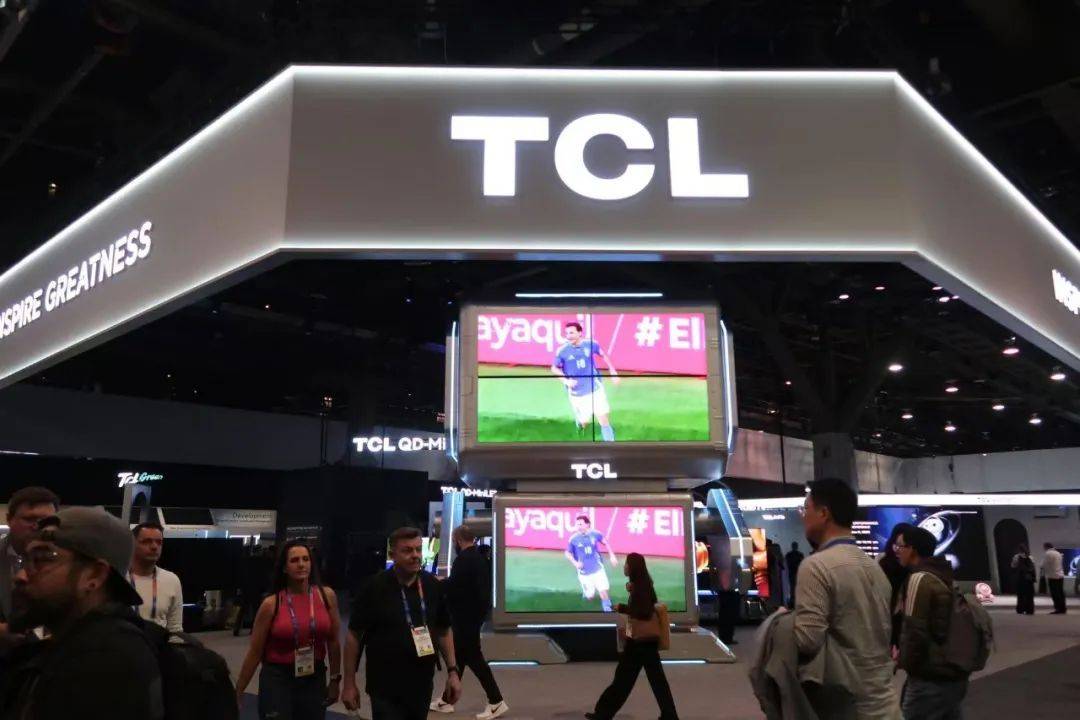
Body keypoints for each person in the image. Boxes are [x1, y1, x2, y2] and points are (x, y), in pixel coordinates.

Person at [0, 506, 163, 719]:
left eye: (42, 558)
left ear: (93, 575)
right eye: (25, 560)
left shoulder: (102, 662)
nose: (20, 576)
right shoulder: (74, 645)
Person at [794, 478, 900, 719]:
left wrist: (782, 622)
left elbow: (807, 640)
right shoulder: (873, 567)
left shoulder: (816, 566)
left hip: (848, 705)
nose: (803, 516)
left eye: (806, 508)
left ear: (824, 513)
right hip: (885, 703)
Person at [342, 526, 461, 720]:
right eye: (407, 550)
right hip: (384, 686)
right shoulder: (374, 587)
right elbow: (354, 636)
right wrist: (349, 683)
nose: (415, 555)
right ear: (392, 555)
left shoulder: (432, 586)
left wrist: (453, 672)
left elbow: (443, 630)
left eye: (418, 549)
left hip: (421, 683)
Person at [235, 540, 343, 719]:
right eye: (294, 560)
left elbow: (333, 642)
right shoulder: (271, 604)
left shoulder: (326, 596)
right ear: (284, 568)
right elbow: (255, 651)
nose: (301, 564)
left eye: (305, 559)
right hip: (278, 678)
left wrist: (334, 680)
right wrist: (239, 689)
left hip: (313, 676)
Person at [587, 553, 678, 720]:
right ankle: (669, 715)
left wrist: (624, 608)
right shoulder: (642, 585)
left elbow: (644, 611)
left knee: (623, 680)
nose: (624, 567)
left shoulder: (640, 587)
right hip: (646, 642)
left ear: (633, 567)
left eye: (627, 564)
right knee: (655, 681)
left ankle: (603, 714)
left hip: (639, 642)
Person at [431, 526, 508, 719]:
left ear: (457, 540)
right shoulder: (480, 558)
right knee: (460, 657)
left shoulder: (464, 560)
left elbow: (454, 587)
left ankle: (496, 701)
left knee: (474, 658)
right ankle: (447, 700)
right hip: (474, 616)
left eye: (453, 541)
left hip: (465, 618)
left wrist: (437, 582)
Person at [894, 526, 969, 719]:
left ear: (912, 549)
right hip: (951, 672)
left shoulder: (919, 579)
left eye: (900, 546)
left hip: (929, 677)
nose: (896, 550)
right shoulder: (942, 574)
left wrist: (905, 662)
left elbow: (915, 631)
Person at [0, 486, 60, 632]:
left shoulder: (65, 559)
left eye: (46, 521)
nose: (37, 526)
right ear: (9, 519)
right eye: (29, 519)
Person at [551, 320, 620, 441]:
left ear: (579, 333)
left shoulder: (591, 344)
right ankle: (580, 422)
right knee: (584, 422)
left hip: (595, 388)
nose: (569, 336)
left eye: (572, 333)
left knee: (603, 419)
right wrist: (566, 381)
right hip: (577, 393)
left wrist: (613, 371)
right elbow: (554, 368)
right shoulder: (562, 351)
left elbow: (603, 355)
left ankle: (610, 445)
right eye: (567, 333)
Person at [128, 521, 184, 632]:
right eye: (146, 541)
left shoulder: (171, 580)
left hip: (157, 642)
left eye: (159, 542)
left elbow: (175, 629)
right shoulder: (117, 578)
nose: (154, 546)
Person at [565, 514, 619, 612]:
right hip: (584, 572)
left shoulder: (595, 534)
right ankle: (587, 592)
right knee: (590, 596)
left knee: (603, 591)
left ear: (587, 524)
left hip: (598, 568)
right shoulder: (573, 539)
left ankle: (608, 610)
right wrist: (575, 563)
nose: (578, 526)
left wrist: (612, 555)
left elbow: (605, 542)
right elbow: (567, 553)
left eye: (581, 524)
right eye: (577, 524)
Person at [879, 522, 917, 649]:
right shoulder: (882, 563)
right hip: (884, 620)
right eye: (897, 545)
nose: (898, 549)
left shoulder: (914, 570)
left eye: (902, 546)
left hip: (902, 623)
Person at [1010, 544, 1036, 615]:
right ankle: (1030, 609)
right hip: (1029, 578)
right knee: (1029, 595)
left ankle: (1021, 609)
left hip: (1021, 578)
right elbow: (1033, 567)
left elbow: (1013, 565)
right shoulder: (1030, 557)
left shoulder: (1016, 557)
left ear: (1019, 550)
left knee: (1021, 594)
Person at [1042, 542, 1067, 614]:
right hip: (1060, 575)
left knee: (1055, 593)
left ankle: (1058, 609)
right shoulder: (1058, 553)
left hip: (1053, 576)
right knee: (1061, 593)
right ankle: (1063, 608)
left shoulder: (1048, 553)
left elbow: (1044, 565)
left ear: (1046, 547)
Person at [784, 541, 804, 607]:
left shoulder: (788, 555)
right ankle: (795, 601)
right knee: (795, 587)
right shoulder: (800, 555)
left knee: (793, 587)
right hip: (796, 573)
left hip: (792, 573)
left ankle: (793, 601)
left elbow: (787, 563)